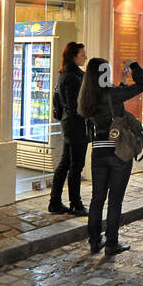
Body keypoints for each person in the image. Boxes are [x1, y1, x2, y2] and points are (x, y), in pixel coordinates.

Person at [78, 57, 143, 256]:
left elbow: (106, 104)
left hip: (99, 151)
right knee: (115, 199)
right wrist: (134, 66)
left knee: (97, 199)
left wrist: (122, 82)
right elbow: (142, 85)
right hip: (118, 152)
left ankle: (94, 241)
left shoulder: (87, 97)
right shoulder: (113, 94)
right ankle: (111, 243)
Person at [48, 42, 88, 215]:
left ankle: (55, 202)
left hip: (70, 124)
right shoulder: (72, 77)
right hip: (75, 126)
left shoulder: (68, 74)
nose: (85, 57)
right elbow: (74, 106)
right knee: (75, 166)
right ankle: (75, 203)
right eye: (82, 54)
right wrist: (89, 113)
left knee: (65, 164)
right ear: (74, 56)